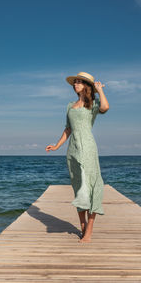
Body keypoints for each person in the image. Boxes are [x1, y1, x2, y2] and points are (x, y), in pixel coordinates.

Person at [45, 72, 109, 243]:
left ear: (86, 85)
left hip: (88, 147)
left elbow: (105, 108)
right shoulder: (69, 106)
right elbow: (68, 129)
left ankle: (89, 229)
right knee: (79, 186)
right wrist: (57, 145)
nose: (75, 85)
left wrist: (100, 90)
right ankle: (82, 225)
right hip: (72, 150)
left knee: (93, 185)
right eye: (74, 82)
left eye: (79, 82)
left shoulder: (92, 104)